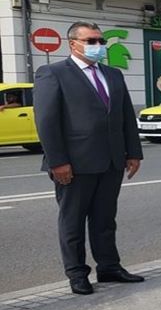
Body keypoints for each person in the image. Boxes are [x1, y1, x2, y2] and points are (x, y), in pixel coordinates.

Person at [32, 22, 144, 295]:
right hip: (74, 163)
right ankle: (77, 273)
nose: (98, 46)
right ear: (74, 43)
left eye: (100, 41)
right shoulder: (53, 73)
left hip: (111, 161)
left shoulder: (113, 74)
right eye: (91, 41)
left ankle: (109, 266)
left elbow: (126, 116)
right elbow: (46, 121)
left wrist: (133, 152)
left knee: (105, 218)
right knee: (72, 220)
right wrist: (58, 161)